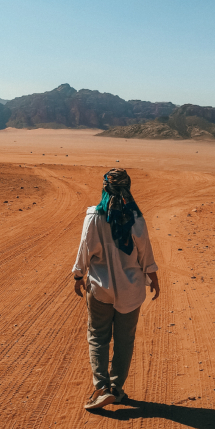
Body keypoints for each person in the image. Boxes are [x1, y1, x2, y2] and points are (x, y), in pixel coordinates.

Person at [72, 168, 160, 410]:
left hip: (100, 289)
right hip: (131, 290)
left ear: (104, 187)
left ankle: (101, 388)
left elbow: (84, 250)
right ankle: (117, 388)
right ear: (127, 188)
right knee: (125, 340)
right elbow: (146, 254)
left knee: (98, 337)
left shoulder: (92, 216)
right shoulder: (136, 219)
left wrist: (79, 275)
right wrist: (153, 279)